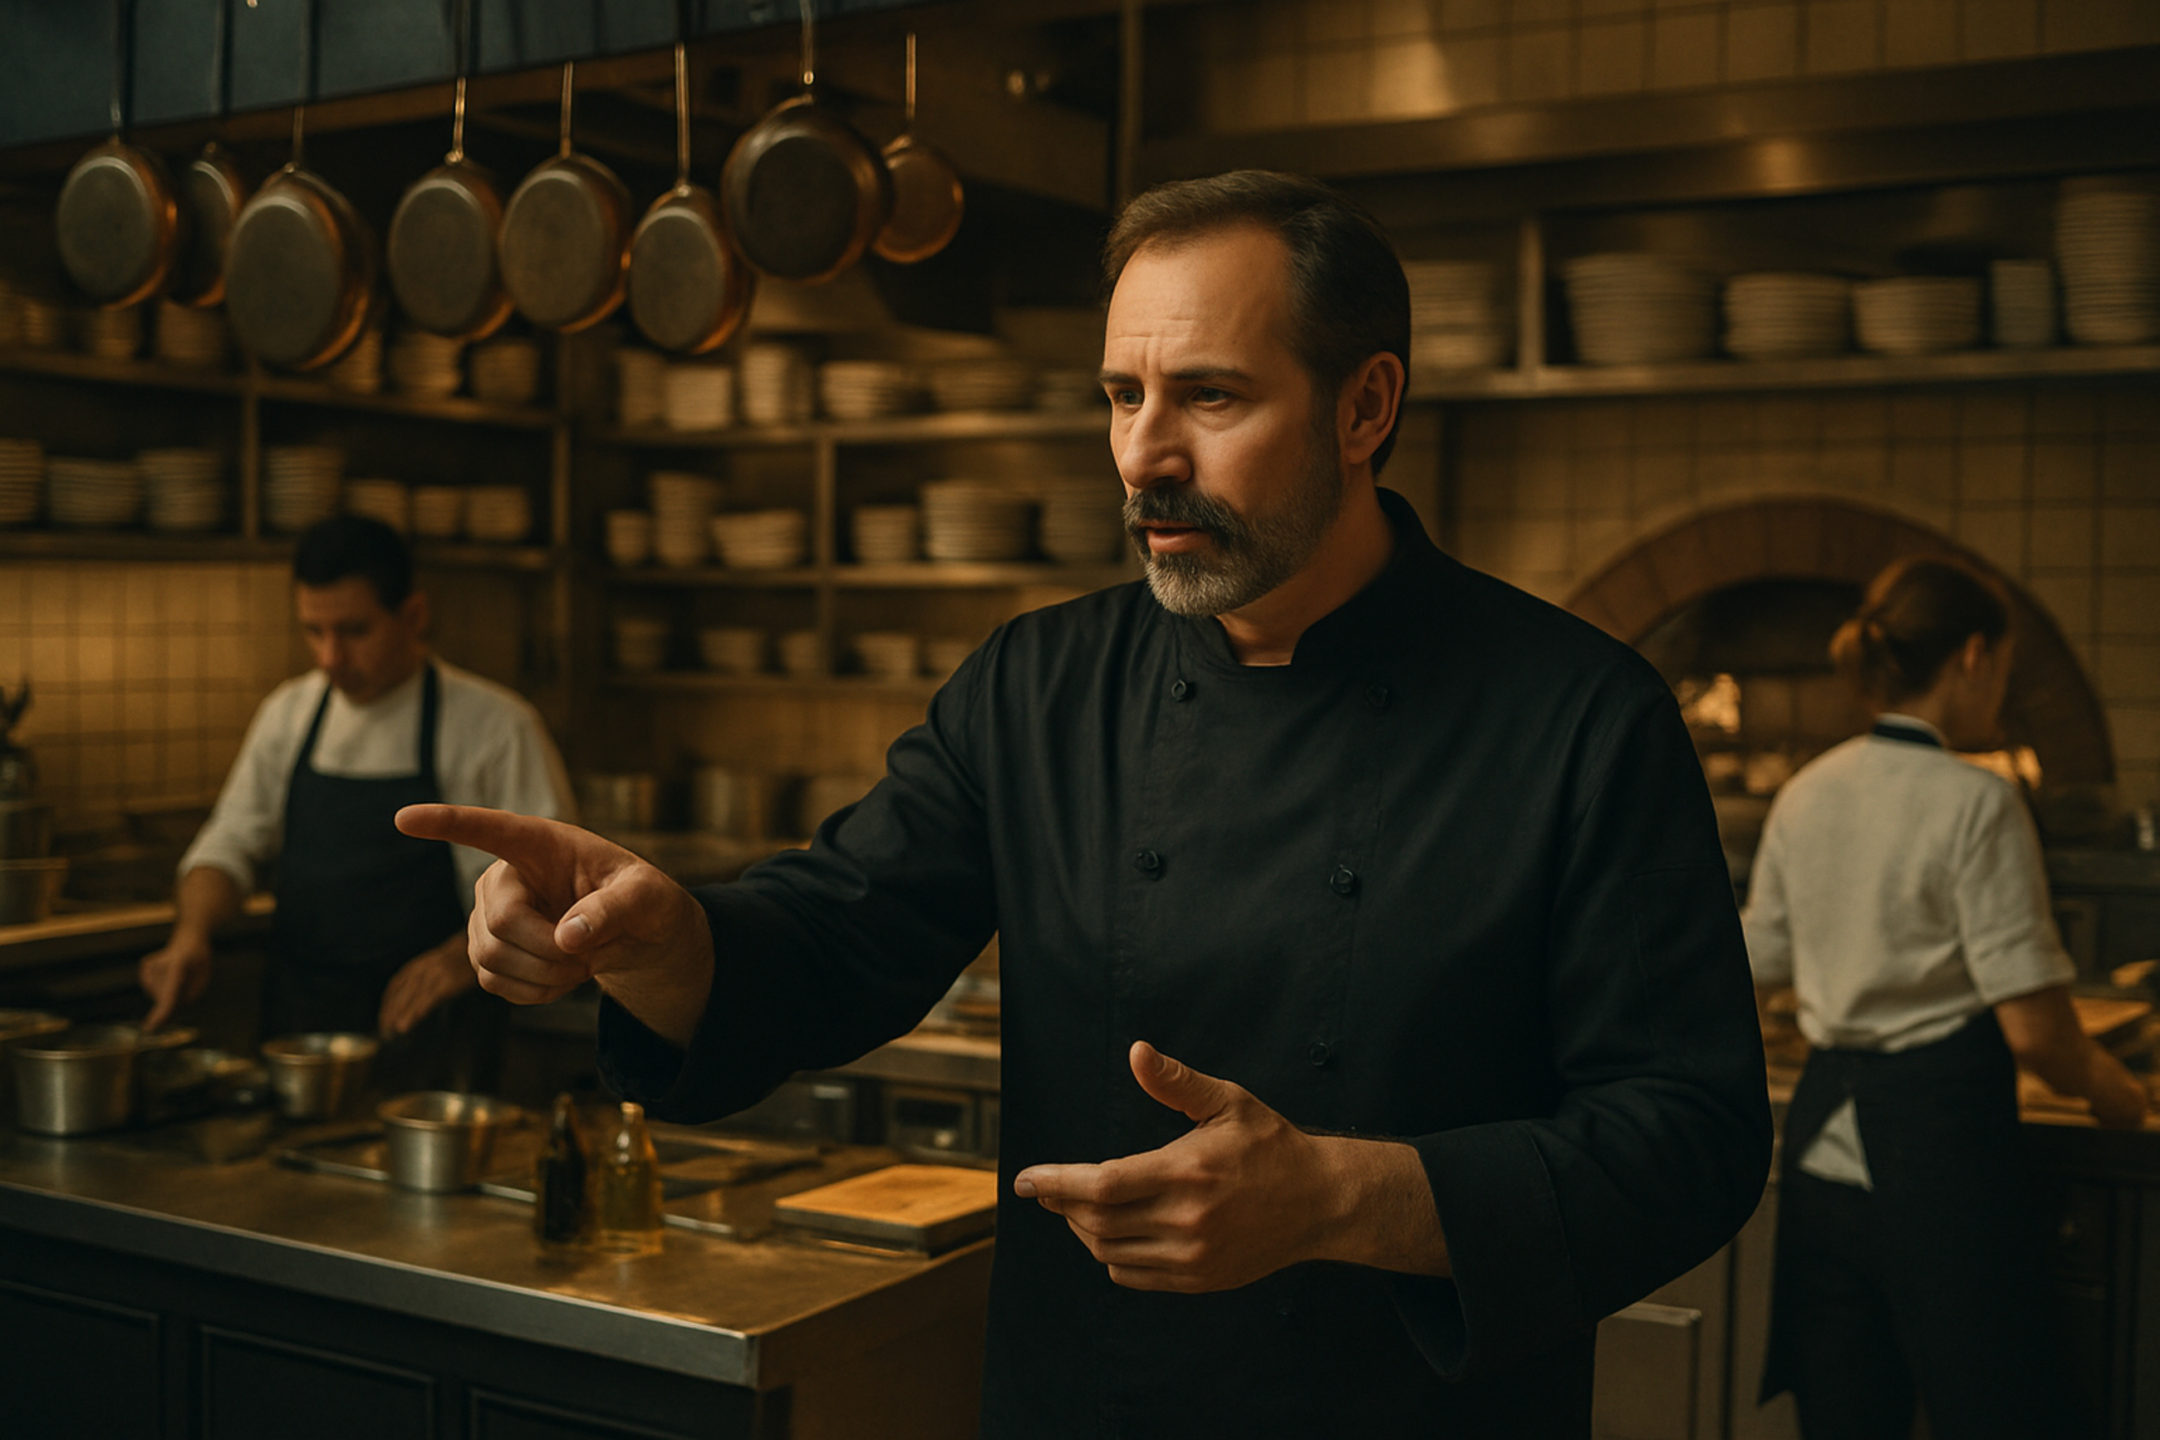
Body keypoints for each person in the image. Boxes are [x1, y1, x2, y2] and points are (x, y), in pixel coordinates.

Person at [403, 171, 1771, 1435]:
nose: (1144, 456)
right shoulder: (1039, 685)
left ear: (1366, 408)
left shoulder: (1579, 717)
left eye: (1212, 399)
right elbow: (838, 932)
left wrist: (1344, 1200)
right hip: (1083, 1403)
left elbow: (1690, 1137)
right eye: (1123, 396)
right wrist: (665, 942)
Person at [1743, 555, 2150, 1440]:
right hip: (1940, 1158)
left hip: (1822, 1156)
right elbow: (2038, 1032)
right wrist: (2119, 1094)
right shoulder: (1979, 800)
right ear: (1973, 658)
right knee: (2000, 1412)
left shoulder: (1809, 790)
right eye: (2003, 666)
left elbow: (1756, 960)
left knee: (1847, 1419)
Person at [140, 515, 574, 1090]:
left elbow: (550, 883)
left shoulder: (494, 726)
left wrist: (456, 959)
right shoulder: (289, 714)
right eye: (313, 632)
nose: (329, 658)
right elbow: (229, 845)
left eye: (353, 631)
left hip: (433, 1039)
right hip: (301, 1035)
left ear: (413, 615)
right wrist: (190, 934)